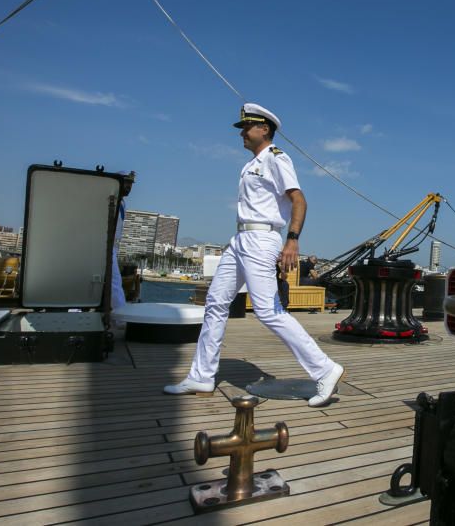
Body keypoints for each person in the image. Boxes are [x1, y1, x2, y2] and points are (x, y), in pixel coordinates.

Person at [164, 103, 344, 407]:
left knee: (268, 311)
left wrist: (292, 241)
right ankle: (202, 375)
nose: (242, 133)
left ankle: (324, 368)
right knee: (216, 302)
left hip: (262, 238)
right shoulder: (250, 164)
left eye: (247, 127)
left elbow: (299, 201)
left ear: (265, 129)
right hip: (241, 238)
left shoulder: (277, 158)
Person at [110, 172, 135, 311]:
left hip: (113, 246)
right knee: (114, 282)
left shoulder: (122, 203)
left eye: (131, 184)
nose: (129, 187)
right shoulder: (109, 200)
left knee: (113, 282)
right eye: (126, 183)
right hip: (103, 245)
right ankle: (120, 316)